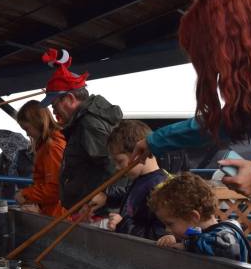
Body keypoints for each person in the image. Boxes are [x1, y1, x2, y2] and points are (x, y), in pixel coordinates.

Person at [130, 0, 251, 269]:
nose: (213, 68)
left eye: (209, 55)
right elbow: (227, 120)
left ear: (229, 42)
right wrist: (155, 141)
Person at [39, 48, 122, 215]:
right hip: (89, 209)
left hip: (95, 212)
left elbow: (112, 165)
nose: (55, 112)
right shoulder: (85, 121)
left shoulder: (88, 124)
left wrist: (104, 196)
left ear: (70, 98)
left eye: (55, 106)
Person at [148, 173, 251, 263]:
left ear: (194, 217)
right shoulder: (200, 233)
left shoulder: (225, 233)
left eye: (170, 224)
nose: (167, 229)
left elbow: (225, 247)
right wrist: (175, 239)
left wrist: (186, 245)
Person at [87, 120, 169, 240]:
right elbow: (131, 196)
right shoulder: (143, 179)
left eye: (120, 161)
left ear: (141, 153)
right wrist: (107, 197)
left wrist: (123, 225)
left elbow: (159, 235)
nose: (117, 167)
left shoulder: (161, 189)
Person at [13, 100, 67, 217]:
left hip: (58, 215)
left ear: (38, 123)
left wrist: (25, 194)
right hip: (53, 211)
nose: (27, 134)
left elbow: (55, 189)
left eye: (27, 129)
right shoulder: (48, 145)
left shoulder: (52, 147)